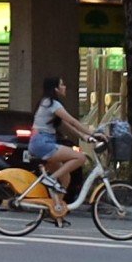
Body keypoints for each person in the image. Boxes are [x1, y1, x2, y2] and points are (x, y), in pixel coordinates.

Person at [26, 76, 94, 204]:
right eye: (62, 84)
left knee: (65, 177)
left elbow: (66, 125)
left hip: (40, 143)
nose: (65, 87)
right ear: (55, 88)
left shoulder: (46, 103)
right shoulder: (52, 104)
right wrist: (93, 133)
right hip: (42, 143)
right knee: (80, 158)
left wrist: (84, 136)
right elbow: (72, 121)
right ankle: (51, 178)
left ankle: (56, 209)